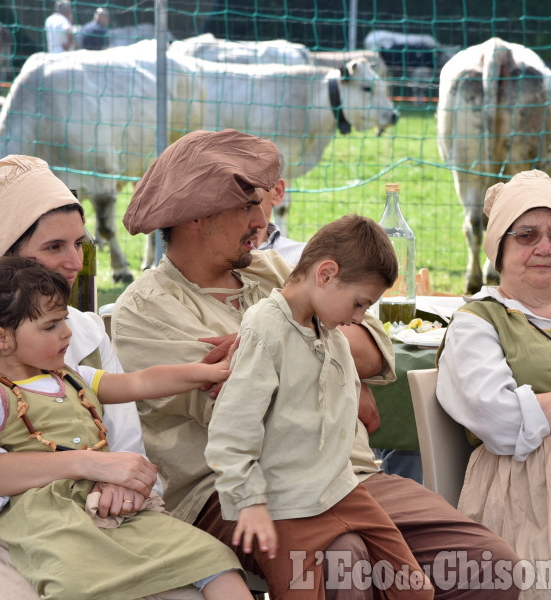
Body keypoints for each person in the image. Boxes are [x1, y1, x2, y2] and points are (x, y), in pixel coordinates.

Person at [112, 128, 519, 599]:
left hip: (350, 476)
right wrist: (329, 370)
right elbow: (254, 413)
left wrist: (300, 356)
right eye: (246, 206)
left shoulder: (271, 271)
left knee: (488, 567)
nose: (261, 219)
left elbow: (374, 344)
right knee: (344, 561)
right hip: (238, 496)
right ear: (196, 217)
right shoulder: (144, 311)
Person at [0, 155, 181, 599]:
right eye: (54, 246)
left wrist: (124, 488)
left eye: (80, 243)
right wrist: (89, 465)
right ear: (4, 257)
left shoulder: (87, 329)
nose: (75, 261)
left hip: (97, 520)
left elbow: (125, 446)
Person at [0, 256, 250, 600]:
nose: (67, 332)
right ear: (1, 337)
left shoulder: (75, 377)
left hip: (112, 507)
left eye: (65, 319)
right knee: (77, 583)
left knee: (215, 559)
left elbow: (140, 381)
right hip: (50, 523)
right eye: (50, 326)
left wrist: (205, 373)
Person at [205, 214, 432, 598]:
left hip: (343, 489)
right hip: (284, 504)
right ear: (325, 274)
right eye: (359, 304)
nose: (359, 318)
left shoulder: (331, 333)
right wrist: (250, 502)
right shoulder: (265, 328)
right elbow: (231, 431)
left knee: (414, 589)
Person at [436, 169, 551, 598]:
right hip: (533, 486)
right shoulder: (477, 324)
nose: (545, 247)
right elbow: (502, 424)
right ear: (498, 249)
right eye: (526, 235)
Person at [257, 156, 423, 484]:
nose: (245, 214)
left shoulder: (305, 257)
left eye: (251, 198)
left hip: (346, 472)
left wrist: (341, 370)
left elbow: (373, 345)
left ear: (277, 193)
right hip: (287, 481)